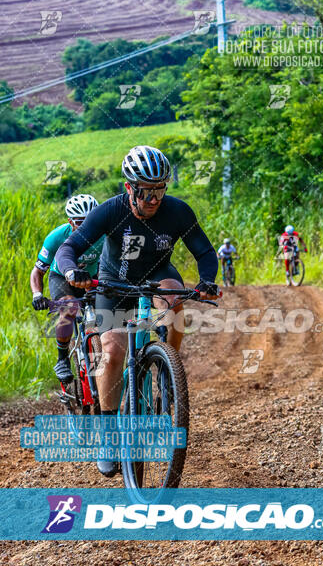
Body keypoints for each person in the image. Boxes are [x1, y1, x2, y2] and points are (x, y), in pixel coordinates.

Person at [55, 145, 219, 477]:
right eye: (146, 190)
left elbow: (204, 251)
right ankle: (107, 435)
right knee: (113, 352)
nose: (154, 198)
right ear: (130, 187)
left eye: (160, 189)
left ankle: (169, 368)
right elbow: (70, 248)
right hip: (114, 282)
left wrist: (207, 280)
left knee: (175, 297)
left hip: (158, 274)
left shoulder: (178, 212)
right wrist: (72, 272)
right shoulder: (111, 211)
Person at [30, 194, 104, 384]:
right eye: (80, 222)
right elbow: (37, 272)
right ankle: (62, 359)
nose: (87, 226)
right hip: (61, 278)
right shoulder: (56, 237)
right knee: (68, 309)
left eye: (91, 220)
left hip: (92, 278)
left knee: (108, 313)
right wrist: (37, 294)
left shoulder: (104, 234)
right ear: (70, 221)